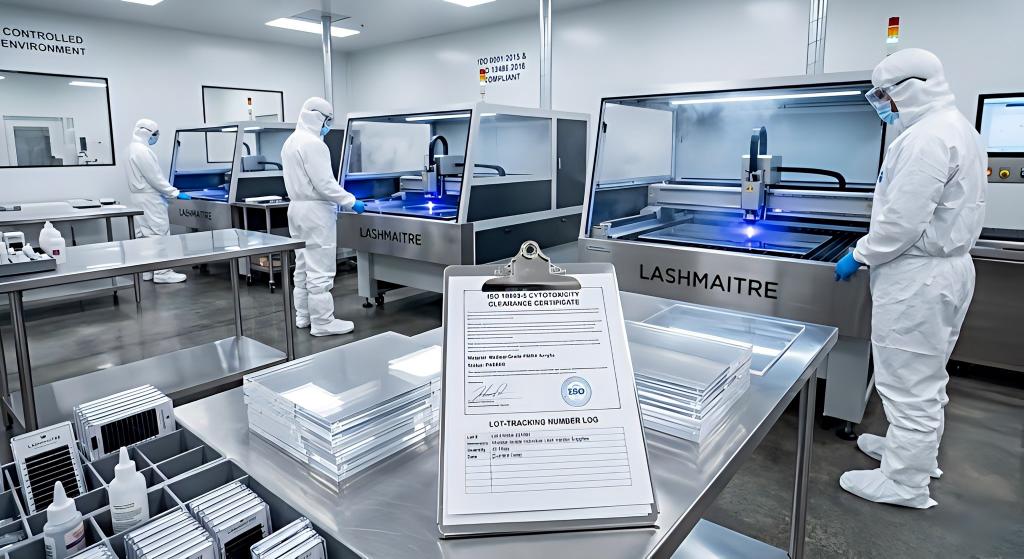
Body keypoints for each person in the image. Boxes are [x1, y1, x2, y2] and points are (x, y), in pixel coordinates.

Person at [834, 48, 986, 508]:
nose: (881, 103)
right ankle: (912, 453)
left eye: (884, 95)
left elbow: (900, 224)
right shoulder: (955, 126)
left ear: (910, 90)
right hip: (944, 270)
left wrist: (858, 254)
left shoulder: (926, 138)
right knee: (925, 375)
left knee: (908, 382)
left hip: (918, 275)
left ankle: (905, 482)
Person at [282, 97, 365, 336]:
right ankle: (323, 322)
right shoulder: (314, 144)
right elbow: (325, 184)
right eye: (327, 120)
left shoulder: (290, 141)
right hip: (316, 212)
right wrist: (351, 202)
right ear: (317, 116)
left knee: (302, 265)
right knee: (320, 267)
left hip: (296, 209)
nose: (328, 126)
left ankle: (303, 316)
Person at [126, 119, 191, 283]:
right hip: (150, 198)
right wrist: (175, 193)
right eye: (155, 134)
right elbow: (155, 178)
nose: (156, 137)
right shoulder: (143, 151)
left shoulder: (131, 149)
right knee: (159, 233)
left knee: (144, 235)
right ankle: (163, 272)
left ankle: (148, 271)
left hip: (137, 198)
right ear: (146, 133)